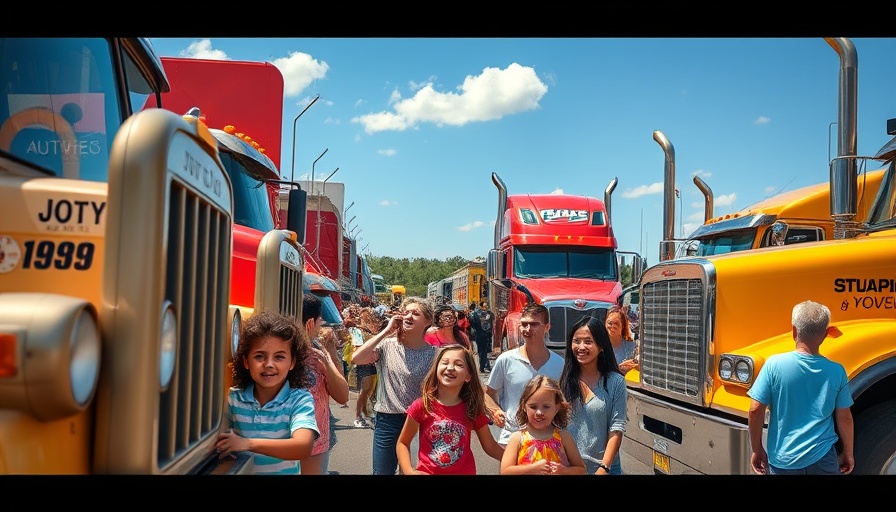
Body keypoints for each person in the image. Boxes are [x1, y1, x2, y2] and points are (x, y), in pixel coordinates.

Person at [747, 300, 855, 475]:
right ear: (826, 334)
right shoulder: (837, 371)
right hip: (823, 457)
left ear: (794, 331)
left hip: (784, 460)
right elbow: (845, 418)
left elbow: (755, 410)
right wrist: (848, 453)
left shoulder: (774, 365)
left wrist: (756, 449)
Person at [216, 310, 319, 475]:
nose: (269, 364)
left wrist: (247, 443)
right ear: (246, 361)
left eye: (279, 357)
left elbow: (303, 447)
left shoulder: (299, 400)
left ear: (292, 362)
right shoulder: (234, 399)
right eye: (259, 356)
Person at [350, 296, 438, 475]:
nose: (409, 317)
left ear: (428, 321)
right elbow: (356, 358)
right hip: (388, 419)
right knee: (382, 472)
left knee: (415, 471)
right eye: (406, 313)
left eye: (416, 313)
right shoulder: (387, 346)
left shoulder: (435, 355)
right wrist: (386, 331)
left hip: (421, 421)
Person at [396, 344, 505, 474]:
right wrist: (409, 471)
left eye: (459, 365)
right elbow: (402, 443)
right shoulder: (422, 405)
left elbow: (491, 447)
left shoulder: (472, 408)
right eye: (445, 363)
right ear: (436, 368)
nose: (450, 368)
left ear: (468, 376)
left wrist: (520, 462)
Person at [485, 302, 565, 447]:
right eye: (524, 324)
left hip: (549, 440)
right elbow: (488, 393)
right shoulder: (506, 360)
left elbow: (564, 402)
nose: (527, 329)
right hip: (512, 439)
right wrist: (495, 411)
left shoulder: (559, 364)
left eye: (534, 324)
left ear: (547, 327)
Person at [560, 316, 627, 474]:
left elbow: (616, 429)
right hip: (569, 467)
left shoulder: (615, 382)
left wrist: (604, 467)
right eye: (576, 341)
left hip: (605, 468)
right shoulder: (564, 379)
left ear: (601, 346)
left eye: (588, 341)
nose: (581, 347)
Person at [298, 294, 349, 475]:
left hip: (315, 444)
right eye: (320, 321)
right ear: (311, 323)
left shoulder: (319, 351)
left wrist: (330, 354)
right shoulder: (288, 353)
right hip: (304, 442)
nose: (323, 326)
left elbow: (342, 394)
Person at [499, 375, 586, 475]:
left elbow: (581, 469)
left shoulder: (564, 437)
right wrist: (532, 469)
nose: (539, 412)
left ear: (557, 407)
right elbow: (505, 471)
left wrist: (563, 471)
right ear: (524, 406)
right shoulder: (518, 438)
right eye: (533, 407)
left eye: (546, 406)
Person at [605, 305, 639, 375]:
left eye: (616, 323)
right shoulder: (598, 348)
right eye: (610, 323)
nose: (612, 326)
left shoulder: (632, 347)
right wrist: (619, 369)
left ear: (622, 326)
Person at [472, 301, 495, 373]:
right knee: (481, 351)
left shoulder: (489, 313)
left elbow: (492, 321)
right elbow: (474, 323)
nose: (486, 307)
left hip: (486, 335)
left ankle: (483, 366)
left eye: (486, 306)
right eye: (484, 306)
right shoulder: (476, 314)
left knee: (484, 351)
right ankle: (483, 365)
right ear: (481, 306)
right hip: (479, 334)